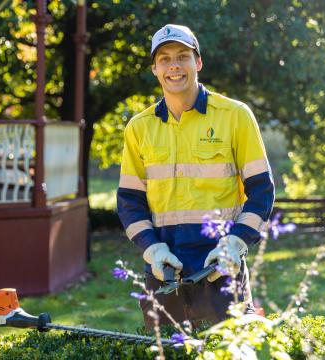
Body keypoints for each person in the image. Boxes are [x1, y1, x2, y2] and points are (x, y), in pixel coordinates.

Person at [117, 25, 274, 329]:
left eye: (182, 56)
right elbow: (129, 203)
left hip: (221, 268)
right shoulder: (138, 128)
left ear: (198, 63)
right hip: (163, 272)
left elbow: (262, 192)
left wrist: (235, 243)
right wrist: (152, 249)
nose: (174, 66)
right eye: (164, 59)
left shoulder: (235, 116)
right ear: (154, 69)